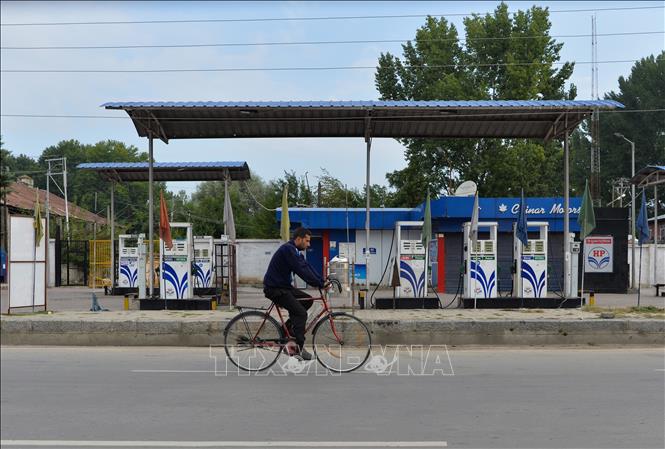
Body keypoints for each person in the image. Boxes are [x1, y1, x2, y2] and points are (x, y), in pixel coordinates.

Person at [263, 227, 329, 360]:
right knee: (300, 313)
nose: (309, 244)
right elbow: (301, 270)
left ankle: (285, 331)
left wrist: (322, 280)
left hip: (283, 287)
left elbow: (306, 266)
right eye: (307, 241)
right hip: (275, 289)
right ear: (298, 239)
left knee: (307, 300)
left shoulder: (295, 251)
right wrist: (319, 284)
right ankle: (297, 348)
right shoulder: (288, 250)